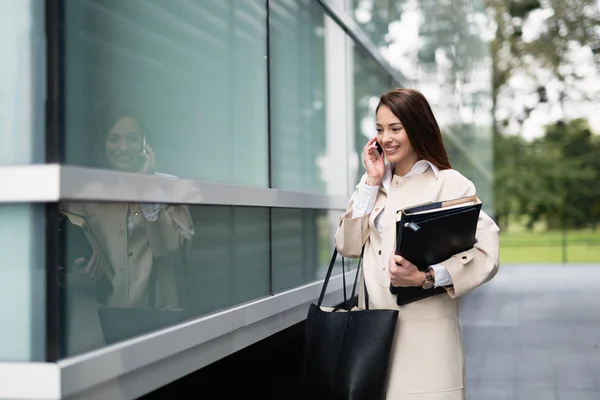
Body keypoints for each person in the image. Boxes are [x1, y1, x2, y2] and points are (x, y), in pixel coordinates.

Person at [335, 88, 499, 399]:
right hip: (371, 338)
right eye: (380, 130)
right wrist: (370, 183)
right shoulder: (373, 183)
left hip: (427, 343)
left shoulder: (450, 183)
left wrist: (426, 277)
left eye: (396, 128)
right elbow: (348, 246)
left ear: (417, 127)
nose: (387, 138)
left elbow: (486, 253)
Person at [59, 105, 194, 355]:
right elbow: (54, 249)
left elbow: (177, 247)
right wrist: (70, 278)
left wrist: (146, 189)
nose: (123, 148)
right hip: (94, 317)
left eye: (132, 139)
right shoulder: (81, 189)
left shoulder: (168, 186)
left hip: (152, 314)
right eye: (114, 139)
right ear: (102, 142)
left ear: (145, 143)